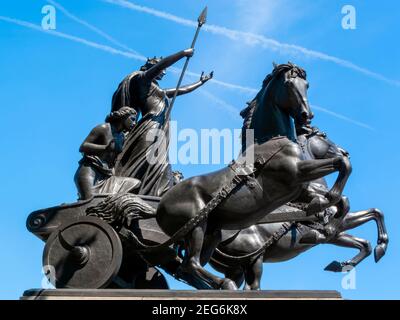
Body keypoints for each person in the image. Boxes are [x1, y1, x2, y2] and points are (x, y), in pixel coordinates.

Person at [111, 48, 213, 197]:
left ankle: (152, 195)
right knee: (146, 162)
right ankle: (130, 192)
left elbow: (182, 90)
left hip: (160, 131)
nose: (163, 73)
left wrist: (200, 82)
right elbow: (160, 65)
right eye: (161, 69)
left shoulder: (158, 90)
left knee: (159, 164)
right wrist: (182, 53)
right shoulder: (142, 81)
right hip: (149, 129)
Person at [74, 106, 141, 200]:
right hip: (90, 171)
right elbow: (83, 147)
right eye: (132, 119)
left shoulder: (121, 137)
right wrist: (104, 148)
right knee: (90, 201)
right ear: (123, 116)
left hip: (107, 176)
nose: (134, 123)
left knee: (135, 183)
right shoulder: (103, 128)